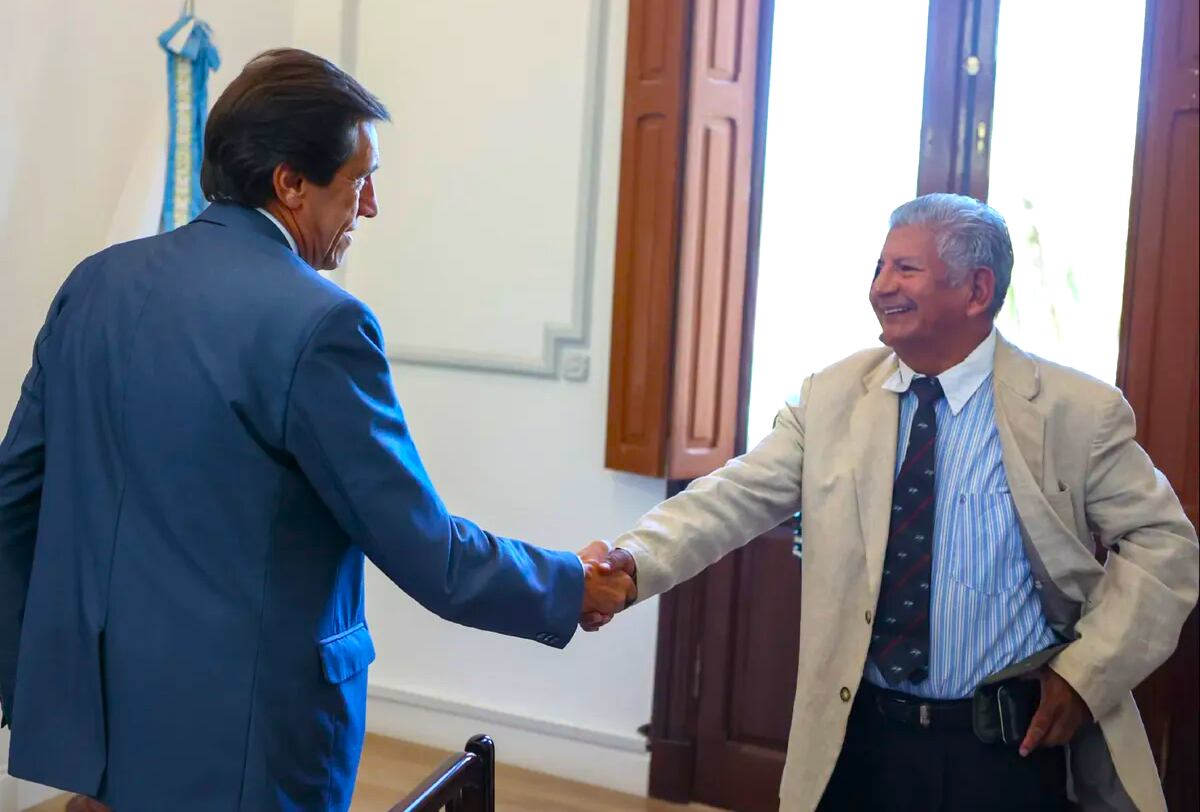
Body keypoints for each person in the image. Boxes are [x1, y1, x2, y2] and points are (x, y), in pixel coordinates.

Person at [0, 48, 633, 812]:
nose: (370, 207)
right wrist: (571, 585)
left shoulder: (94, 282)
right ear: (291, 183)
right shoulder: (321, 324)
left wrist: (32, 679)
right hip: (249, 741)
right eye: (361, 180)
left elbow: (13, 500)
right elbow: (427, 551)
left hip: (100, 718)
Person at [580, 193, 1198, 811]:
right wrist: (632, 562)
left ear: (976, 290)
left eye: (905, 269)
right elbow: (731, 496)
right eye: (879, 268)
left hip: (1006, 753)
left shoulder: (1075, 411)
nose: (881, 287)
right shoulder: (832, 397)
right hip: (861, 742)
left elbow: (1164, 544)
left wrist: (1085, 675)